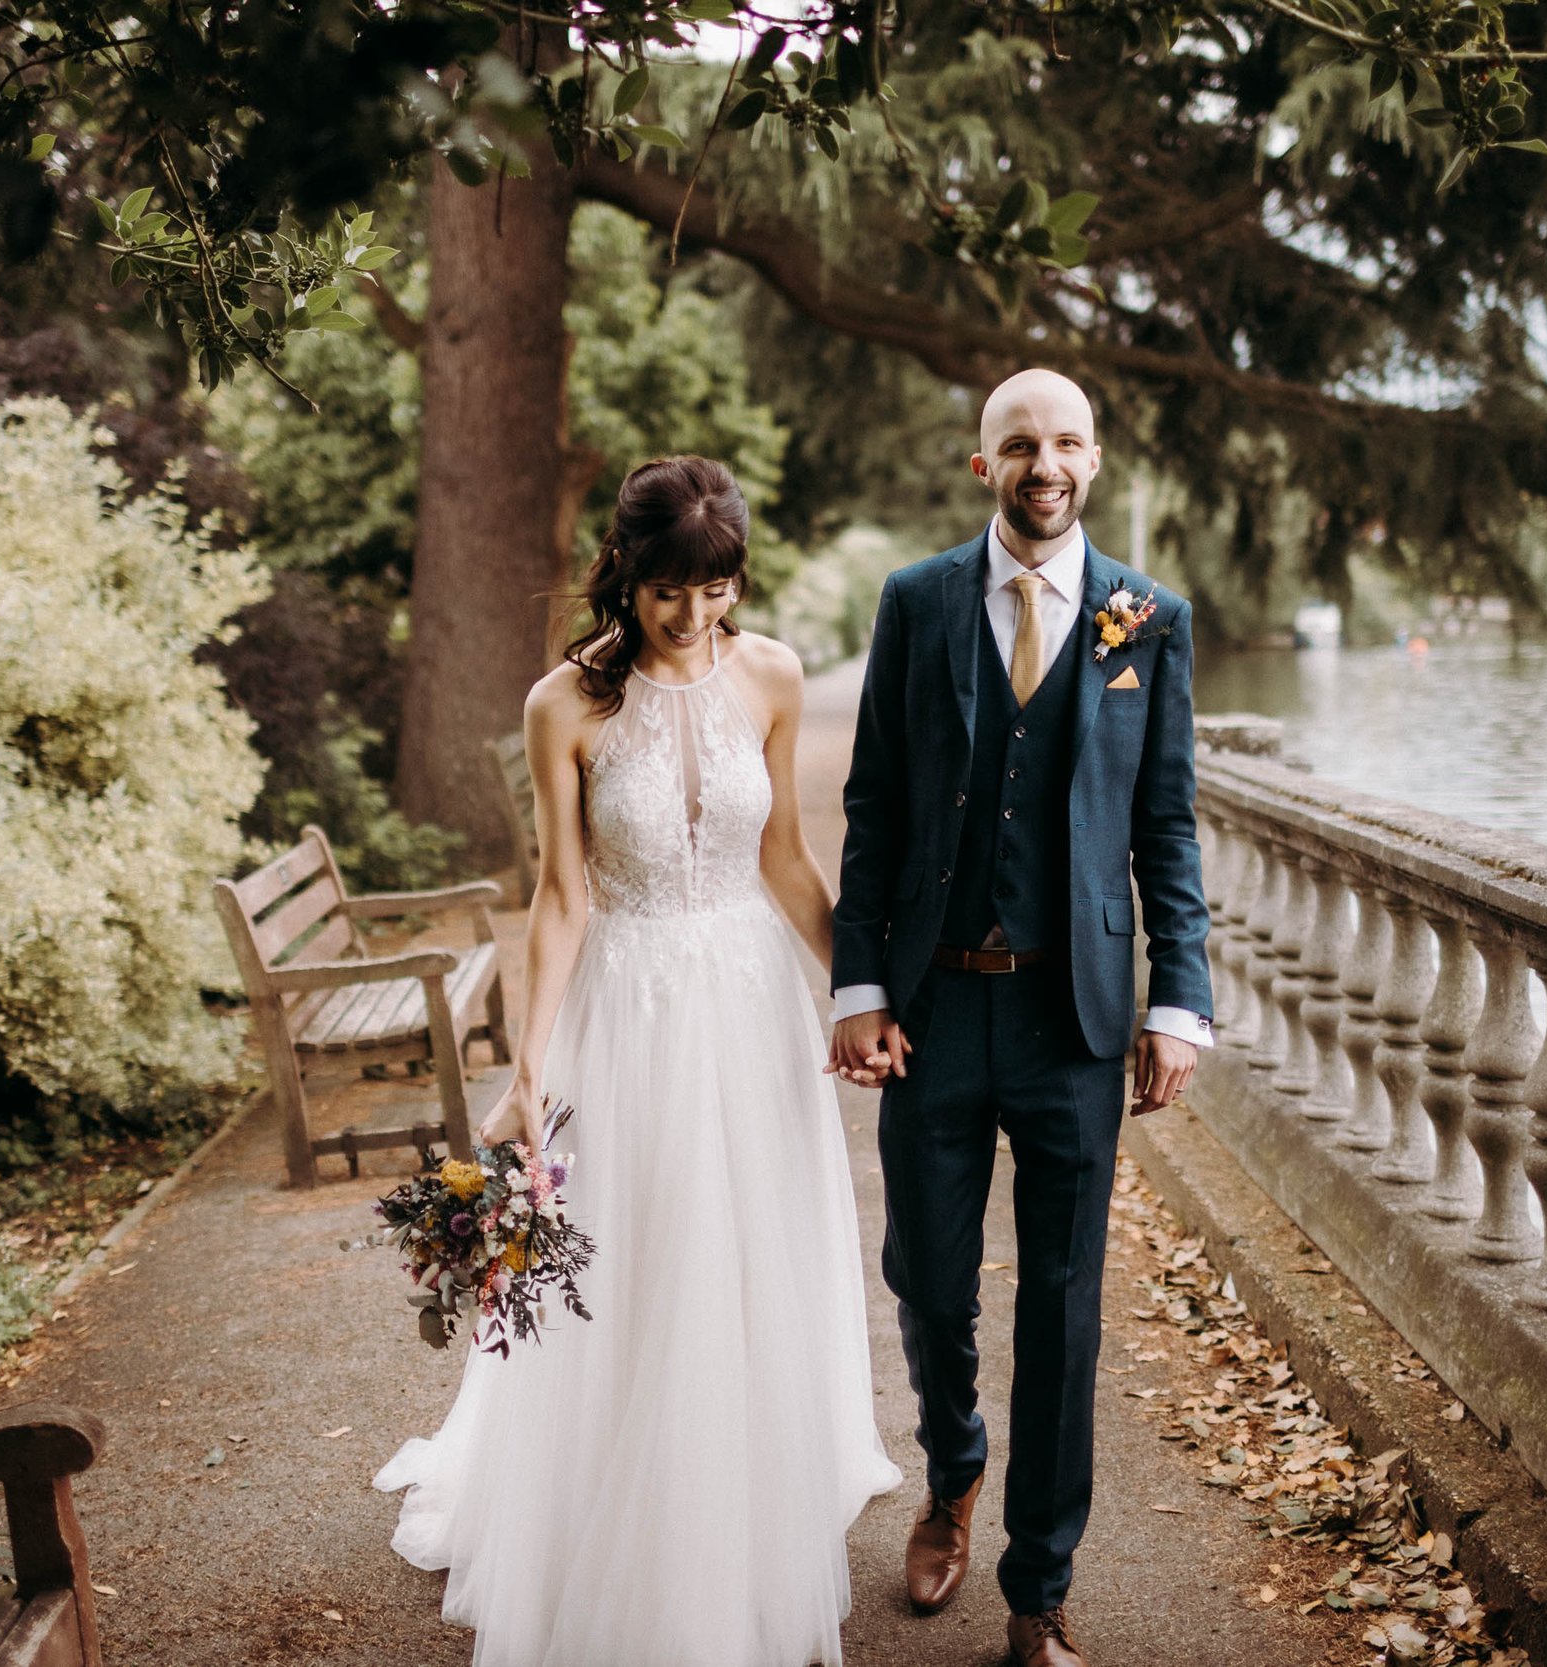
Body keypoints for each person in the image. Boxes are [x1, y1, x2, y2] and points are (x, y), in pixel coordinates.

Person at [376, 456, 900, 1667]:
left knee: (749, 1238)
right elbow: (561, 894)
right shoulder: (561, 703)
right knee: (641, 1246)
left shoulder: (770, 673)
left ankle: (744, 1482)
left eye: (713, 587)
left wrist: (856, 997)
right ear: (626, 573)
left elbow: (782, 856)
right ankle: (622, 1493)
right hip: (632, 1000)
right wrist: (531, 1062)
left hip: (750, 1002)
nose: (691, 614)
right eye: (668, 588)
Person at [826, 370, 1213, 1667]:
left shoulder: (1149, 618)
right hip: (932, 1011)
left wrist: (1180, 999)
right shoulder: (918, 600)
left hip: (1076, 1022)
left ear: (1092, 458)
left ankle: (1038, 1589)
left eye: (1063, 442)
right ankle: (952, 1469)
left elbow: (1166, 825)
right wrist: (861, 984)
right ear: (979, 461)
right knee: (929, 1286)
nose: (1041, 463)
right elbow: (876, 804)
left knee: (1063, 1303)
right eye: (1017, 444)